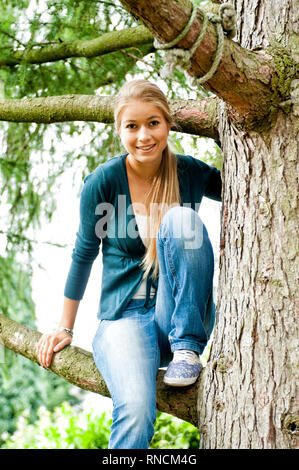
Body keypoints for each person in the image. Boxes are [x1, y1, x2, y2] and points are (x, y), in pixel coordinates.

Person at [36, 79, 222, 449]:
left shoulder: (189, 173)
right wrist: (64, 328)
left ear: (169, 124)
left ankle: (187, 349)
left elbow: (251, 175)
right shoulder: (104, 182)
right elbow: (83, 255)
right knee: (136, 411)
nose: (143, 136)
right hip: (123, 320)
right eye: (132, 126)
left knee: (181, 221)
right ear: (119, 129)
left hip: (179, 319)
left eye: (153, 123)